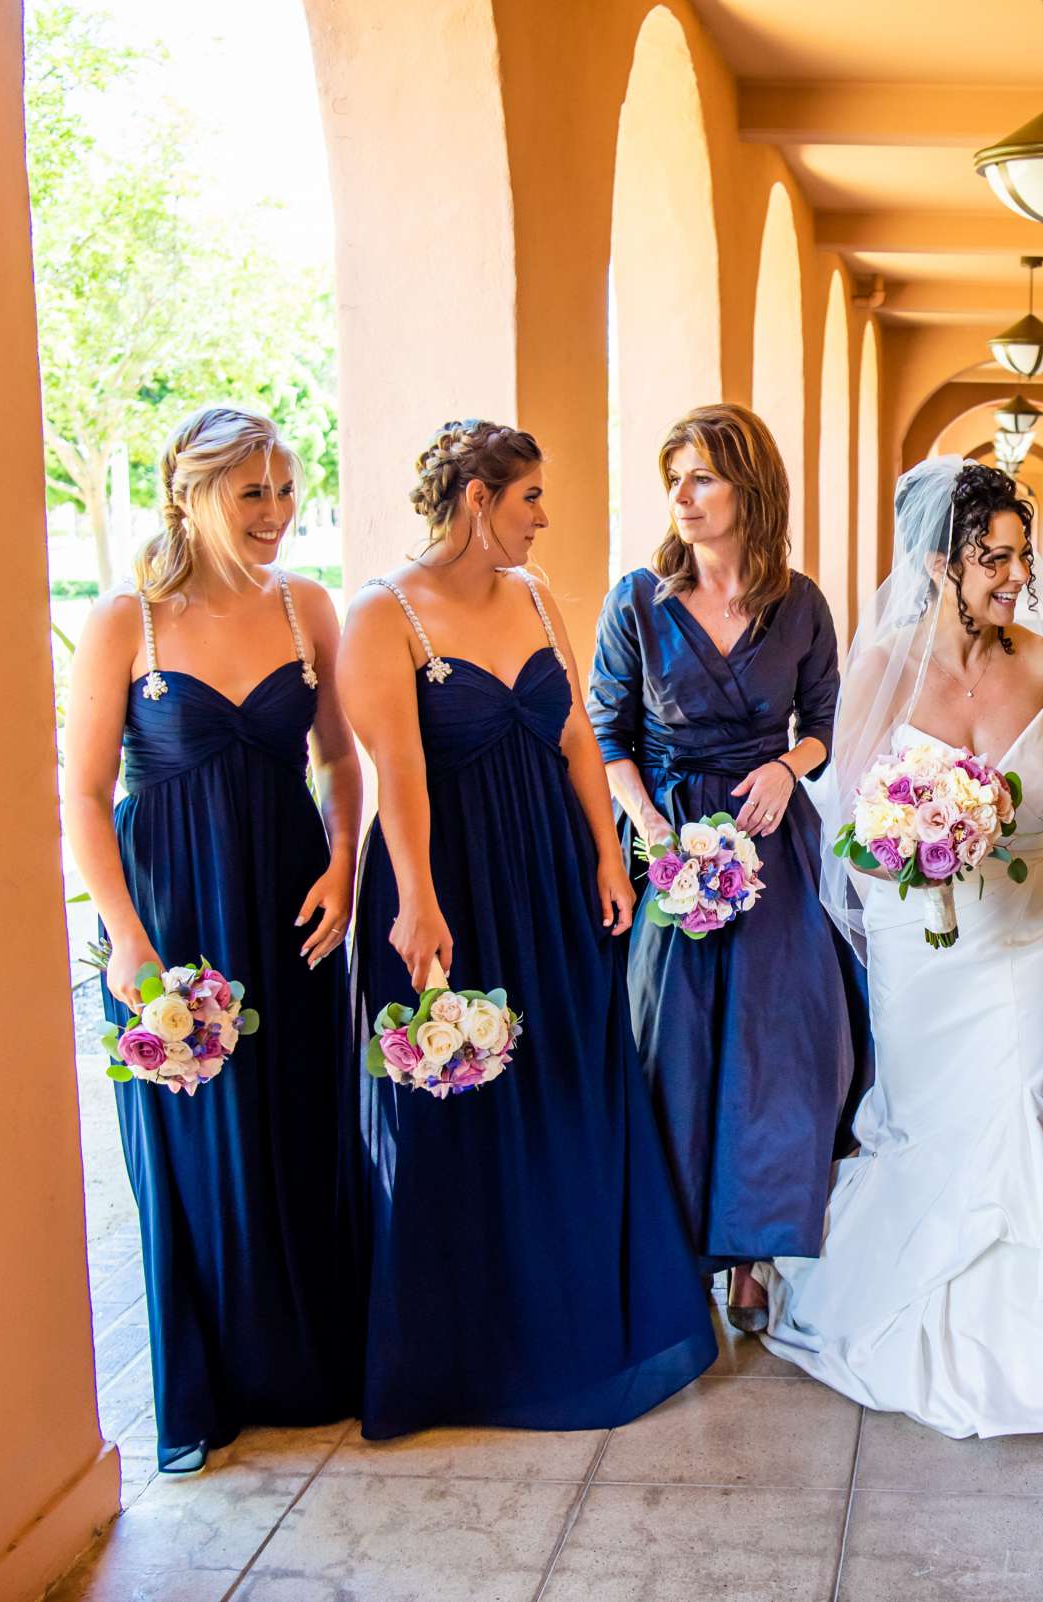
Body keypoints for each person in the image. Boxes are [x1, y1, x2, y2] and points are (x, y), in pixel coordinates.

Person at [759, 458, 1043, 1451]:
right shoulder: (882, 670)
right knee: (934, 1119)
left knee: (1022, 1107)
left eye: (1021, 554)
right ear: (938, 560)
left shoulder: (1042, 664)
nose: (1012, 573)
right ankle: (921, 1306)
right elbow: (850, 823)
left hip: (1029, 931)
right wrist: (918, 849)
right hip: (925, 948)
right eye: (991, 557)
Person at [341, 418, 715, 1437]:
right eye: (530, 499)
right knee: (462, 1107)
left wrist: (606, 852)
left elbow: (579, 736)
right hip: (450, 881)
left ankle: (582, 1311)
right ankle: (468, 1349)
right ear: (476, 501)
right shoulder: (380, 615)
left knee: (569, 1086)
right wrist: (416, 901)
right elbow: (399, 780)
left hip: (551, 871)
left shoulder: (538, 596)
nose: (544, 519)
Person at [61, 405, 363, 1473]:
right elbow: (86, 797)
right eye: (256, 493)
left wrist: (343, 861)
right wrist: (128, 943)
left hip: (292, 904)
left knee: (302, 1123)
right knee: (194, 1148)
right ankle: (217, 1385)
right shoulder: (124, 622)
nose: (280, 514)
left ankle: (316, 1363)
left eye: (287, 490)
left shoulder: (306, 608)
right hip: (173, 918)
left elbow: (339, 760)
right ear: (195, 494)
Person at [591, 403, 866, 1331]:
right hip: (673, 852)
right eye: (674, 476)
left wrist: (789, 770)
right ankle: (685, 1257)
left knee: (783, 1052)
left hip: (773, 844)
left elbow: (826, 725)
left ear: (751, 489)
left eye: (702, 475)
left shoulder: (802, 604)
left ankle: (756, 1254)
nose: (682, 495)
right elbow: (607, 737)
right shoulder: (637, 601)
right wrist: (653, 839)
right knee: (675, 1050)